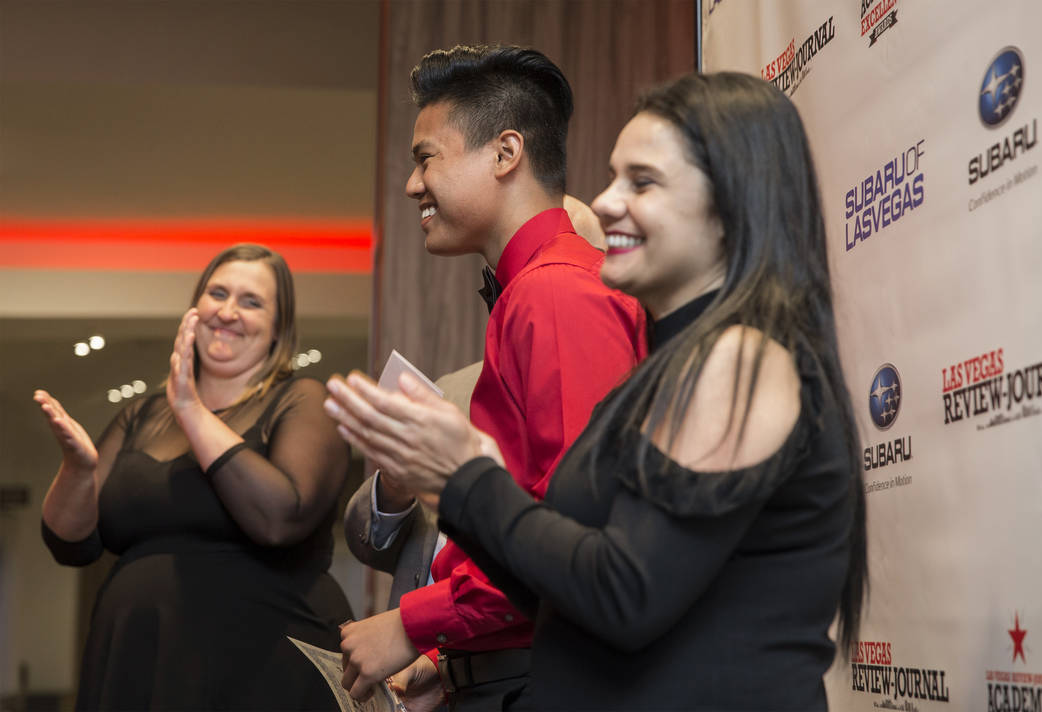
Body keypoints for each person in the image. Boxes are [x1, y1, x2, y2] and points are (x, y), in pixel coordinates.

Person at [325, 71, 868, 711]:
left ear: (730, 204)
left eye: (641, 182)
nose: (604, 203)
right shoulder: (670, 370)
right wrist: (446, 650)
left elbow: (622, 594)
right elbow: (567, 586)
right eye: (613, 177)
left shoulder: (739, 359)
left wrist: (463, 475)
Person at [327, 45, 647, 711]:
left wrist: (411, 624)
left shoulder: (555, 294)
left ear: (505, 154)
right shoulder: (532, 292)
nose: (413, 184)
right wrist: (449, 662)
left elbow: (570, 539)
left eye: (426, 158)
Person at [36, 243, 354, 711]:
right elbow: (69, 545)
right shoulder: (141, 416)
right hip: (138, 661)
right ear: (195, 306)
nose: (228, 311)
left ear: (278, 330)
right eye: (217, 293)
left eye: (251, 301)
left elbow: (279, 519)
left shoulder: (302, 400)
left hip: (264, 666)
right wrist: (78, 472)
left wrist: (189, 405)